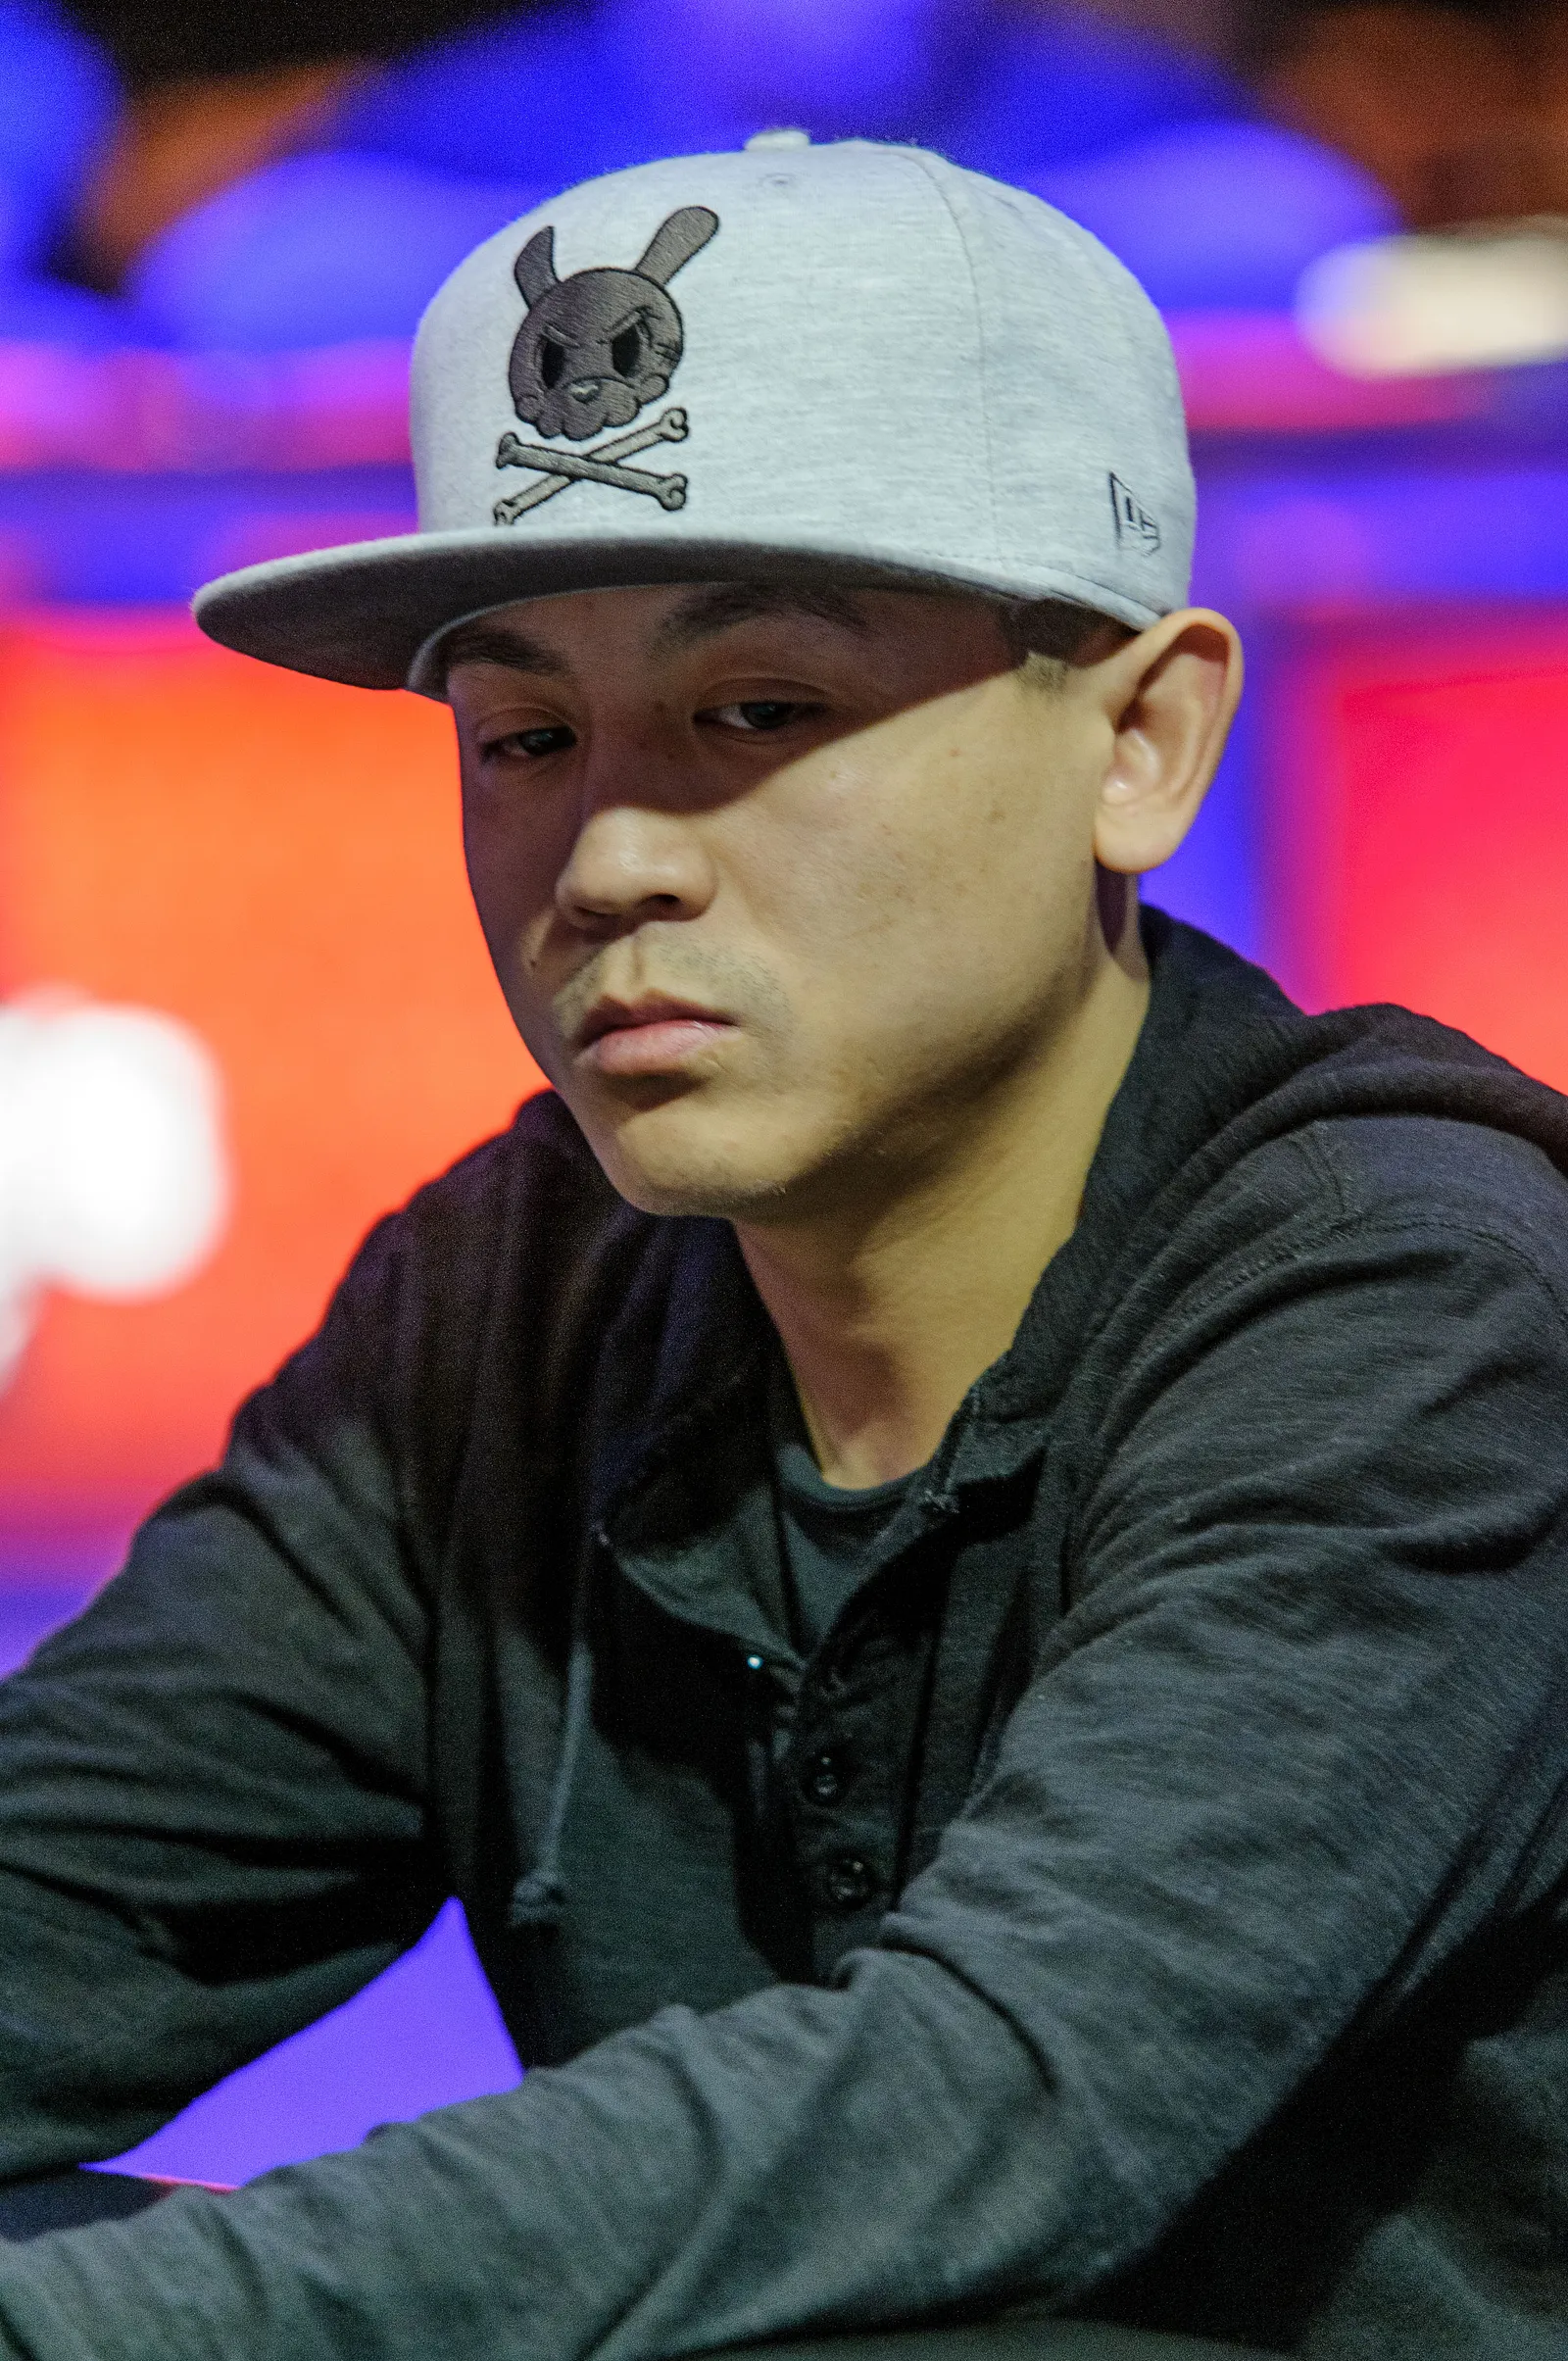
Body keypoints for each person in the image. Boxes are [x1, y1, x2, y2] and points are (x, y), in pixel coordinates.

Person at [0, 133, 1561, 2361]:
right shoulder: (510, 1297)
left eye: (758, 712)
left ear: (1141, 739)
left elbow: (996, 2101)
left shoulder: (1420, 1299)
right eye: (524, 733)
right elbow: (60, 1913)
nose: (609, 856)